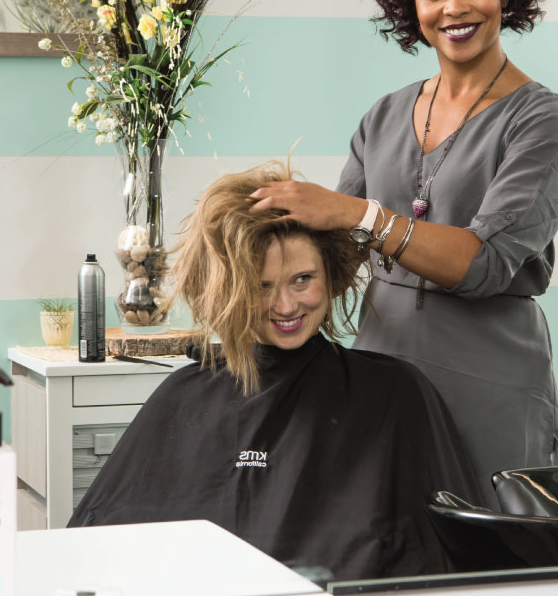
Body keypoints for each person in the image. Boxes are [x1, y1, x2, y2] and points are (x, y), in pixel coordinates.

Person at [249, 0, 558, 492]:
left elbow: (484, 264)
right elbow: (333, 254)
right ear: (412, 2)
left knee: (490, 564)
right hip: (380, 379)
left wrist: (360, 214)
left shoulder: (543, 123)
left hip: (489, 387)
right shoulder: (384, 116)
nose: (454, 8)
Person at [68, 162, 481, 583]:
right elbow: (101, 549)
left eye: (302, 280)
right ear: (229, 289)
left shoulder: (393, 394)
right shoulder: (183, 397)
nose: (285, 306)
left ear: (332, 275)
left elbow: (446, 560)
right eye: (262, 286)